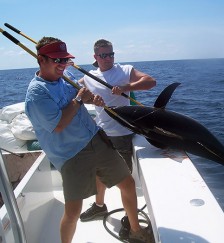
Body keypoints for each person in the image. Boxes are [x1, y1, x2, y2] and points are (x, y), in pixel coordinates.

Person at [25, 37, 154, 243]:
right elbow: (58, 124)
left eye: (65, 60)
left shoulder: (66, 77)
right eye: (57, 60)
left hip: (95, 138)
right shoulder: (36, 93)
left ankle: (136, 231)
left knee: (128, 183)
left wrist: (89, 98)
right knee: (73, 211)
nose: (62, 65)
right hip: (72, 154)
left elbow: (80, 94)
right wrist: (78, 100)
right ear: (41, 60)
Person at [78, 39, 156, 236]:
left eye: (111, 54)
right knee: (99, 173)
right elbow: (77, 91)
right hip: (100, 132)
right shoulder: (89, 76)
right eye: (103, 55)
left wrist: (126, 87)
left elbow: (150, 81)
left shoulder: (124, 70)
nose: (108, 58)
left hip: (122, 134)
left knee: (125, 182)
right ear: (95, 57)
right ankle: (99, 205)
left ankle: (131, 223)